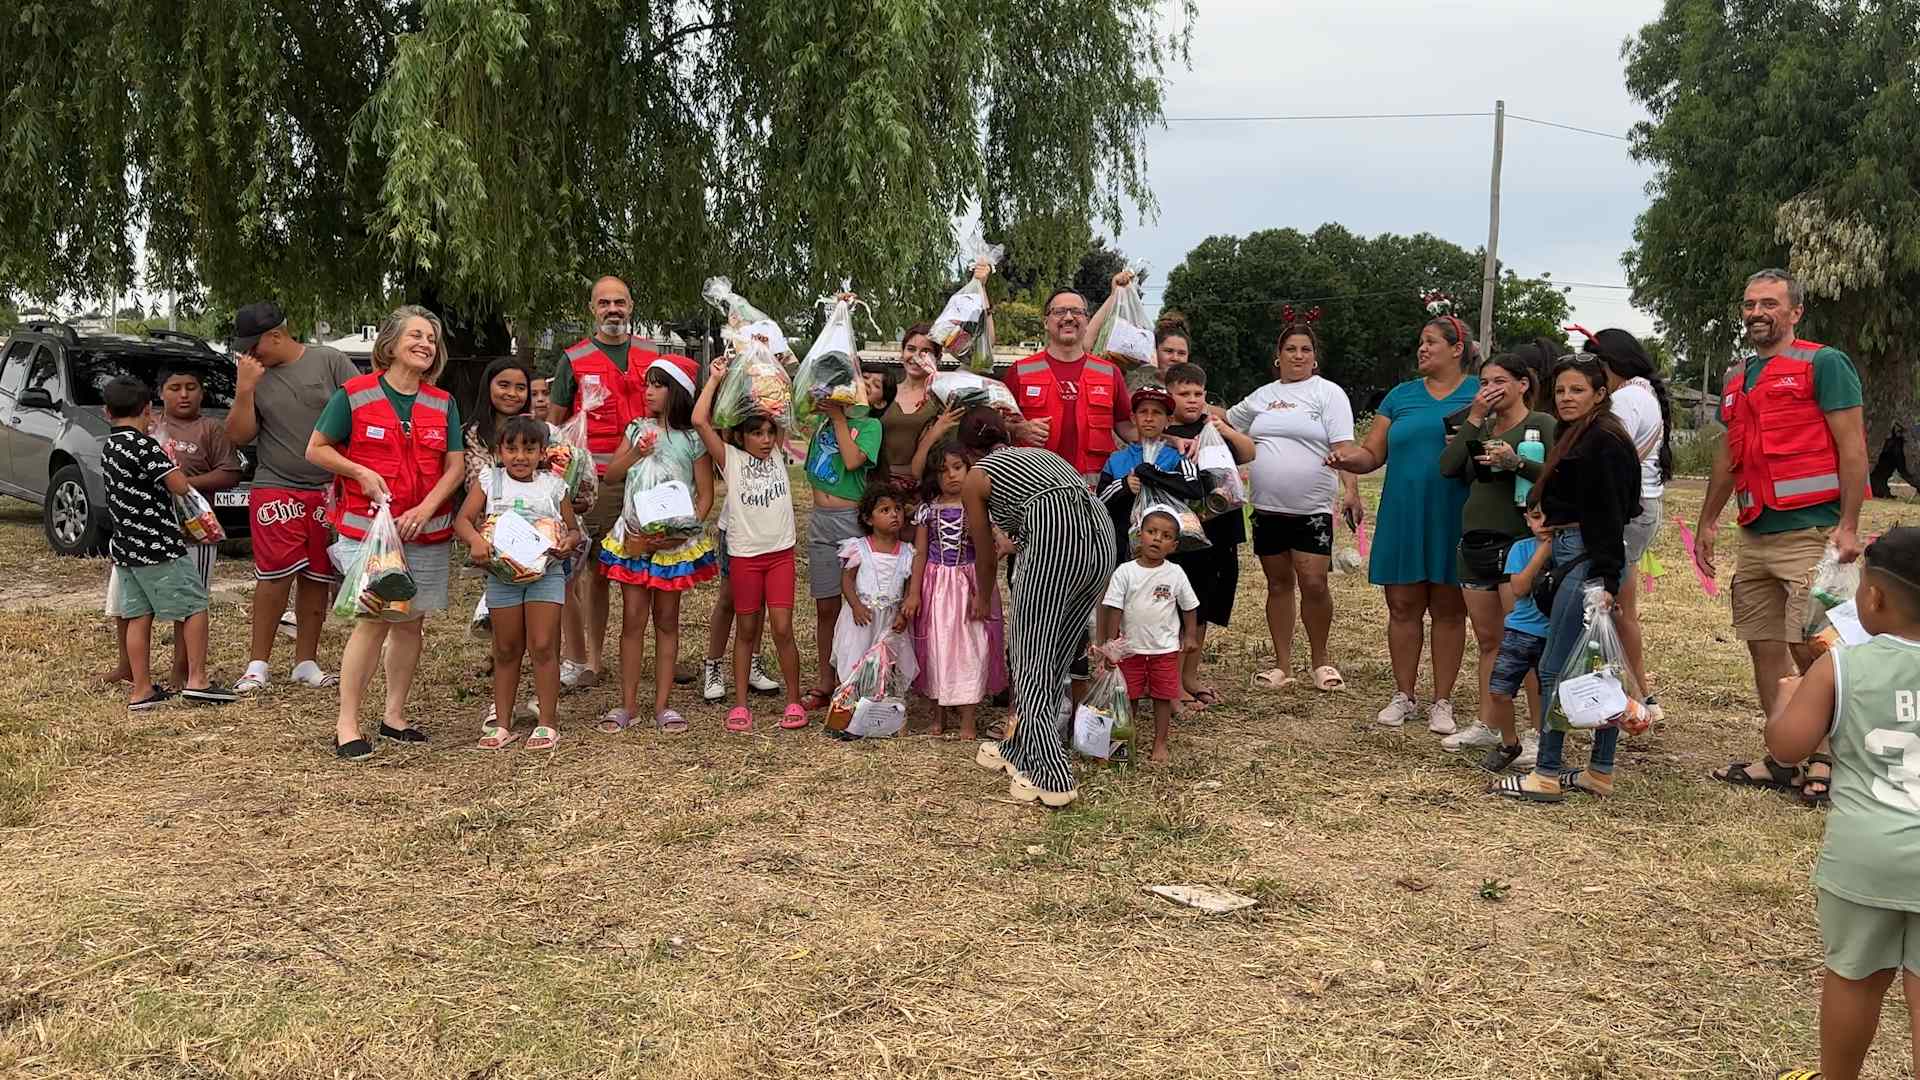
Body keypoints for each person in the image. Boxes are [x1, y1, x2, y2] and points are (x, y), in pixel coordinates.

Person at [1702, 269, 1867, 805]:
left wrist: (1848, 524)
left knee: (1813, 647)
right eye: (1750, 304)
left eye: (1770, 303)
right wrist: (1708, 520)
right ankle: (1783, 756)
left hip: (1812, 532)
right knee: (1764, 644)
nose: (1757, 313)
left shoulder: (1824, 364)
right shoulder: (1737, 377)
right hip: (1755, 532)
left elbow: (1852, 447)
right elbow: (1728, 456)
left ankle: (1827, 758)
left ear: (1795, 312)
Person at [1763, 528, 1920, 1080]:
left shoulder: (1840, 665)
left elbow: (1787, 748)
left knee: (1854, 977)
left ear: (1874, 597)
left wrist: (1783, 701)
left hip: (1864, 857)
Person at [307, 305, 466, 760]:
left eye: (431, 339)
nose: (425, 344)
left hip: (425, 531)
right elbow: (316, 449)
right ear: (390, 344)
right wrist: (359, 471)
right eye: (415, 335)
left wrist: (427, 508)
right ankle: (347, 724)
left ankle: (394, 716)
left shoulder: (442, 402)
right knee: (373, 620)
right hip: (369, 534)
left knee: (411, 622)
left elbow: (454, 467)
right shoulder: (354, 395)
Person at [1492, 355, 1641, 802]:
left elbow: (1611, 513)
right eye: (1560, 390)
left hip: (1586, 556)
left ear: (1600, 393)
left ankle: (1547, 773)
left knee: (1555, 667)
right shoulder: (1579, 433)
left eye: (1577, 390)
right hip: (1579, 552)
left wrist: (1606, 579)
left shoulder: (1602, 440)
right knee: (1600, 668)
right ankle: (1600, 770)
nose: (1566, 398)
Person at [1329, 314, 1479, 732]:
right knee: (1402, 606)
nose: (1422, 348)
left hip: (1455, 515)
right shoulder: (1401, 396)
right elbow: (1371, 454)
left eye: (1431, 341)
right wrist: (1347, 459)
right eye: (1420, 342)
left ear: (1457, 349)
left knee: (1450, 609)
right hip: (1403, 513)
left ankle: (1442, 702)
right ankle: (1404, 696)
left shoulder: (1479, 393)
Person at [962, 409, 1117, 808]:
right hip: (1102, 538)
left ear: (968, 451)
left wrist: (982, 595)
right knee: (1057, 654)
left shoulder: (977, 476)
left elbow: (985, 553)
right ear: (1007, 437)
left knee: (1030, 658)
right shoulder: (1042, 455)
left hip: (1054, 540)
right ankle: (1019, 747)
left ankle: (1050, 775)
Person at [225, 301, 360, 693]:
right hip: (276, 484)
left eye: (253, 346)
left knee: (317, 573)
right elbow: (238, 435)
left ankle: (306, 661)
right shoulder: (253, 375)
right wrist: (244, 389)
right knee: (274, 574)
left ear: (276, 335)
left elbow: (363, 407)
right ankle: (257, 665)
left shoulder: (329, 361)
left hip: (327, 488)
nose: (249, 355)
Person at [1230, 319, 1364, 693]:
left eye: (1306, 349)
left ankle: (1321, 661)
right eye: (1291, 349)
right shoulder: (1262, 396)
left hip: (1312, 509)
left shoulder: (1328, 394)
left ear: (1315, 358)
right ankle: (1282, 664)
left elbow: (1344, 448)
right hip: (1267, 509)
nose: (1298, 355)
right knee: (1278, 584)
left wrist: (1351, 491)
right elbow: (1225, 420)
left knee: (1314, 583)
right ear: (1278, 356)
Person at [1435, 352, 1556, 752]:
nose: (1490, 389)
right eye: (1484, 382)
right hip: (1475, 541)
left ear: (1523, 384)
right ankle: (1489, 724)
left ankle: (1538, 734)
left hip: (1517, 542)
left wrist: (1517, 462)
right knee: (1489, 641)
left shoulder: (1541, 424)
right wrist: (1473, 420)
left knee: (1525, 642)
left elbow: (1559, 476)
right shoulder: (1481, 426)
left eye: (1500, 381)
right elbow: (1448, 467)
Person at [100, 366, 244, 689]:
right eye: (174, 388)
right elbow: (178, 484)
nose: (183, 394)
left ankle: (142, 688)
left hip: (126, 544)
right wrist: (169, 464)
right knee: (194, 605)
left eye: (190, 387)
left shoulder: (110, 445)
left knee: (137, 614)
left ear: (106, 412)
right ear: (149, 407)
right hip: (161, 543)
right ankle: (196, 679)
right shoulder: (147, 445)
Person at [597, 355, 718, 734]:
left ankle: (663, 705)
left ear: (677, 391)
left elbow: (705, 495)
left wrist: (683, 531)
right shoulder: (636, 429)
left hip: (671, 543)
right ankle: (628, 704)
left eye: (658, 384)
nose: (648, 391)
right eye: (647, 384)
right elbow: (611, 475)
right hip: (634, 538)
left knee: (667, 620)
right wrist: (636, 452)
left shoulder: (692, 439)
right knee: (632, 620)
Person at [548, 276, 659, 689]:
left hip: (650, 477)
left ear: (631, 307)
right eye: (604, 303)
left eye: (620, 302)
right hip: (597, 481)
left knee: (654, 563)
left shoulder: (650, 353)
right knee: (596, 571)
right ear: (592, 309)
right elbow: (555, 424)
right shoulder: (573, 359)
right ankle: (593, 660)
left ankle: (655, 651)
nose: (613, 309)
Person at [692, 356, 806, 733]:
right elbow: (699, 420)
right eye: (757, 433)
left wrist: (772, 365)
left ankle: (794, 700)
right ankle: (740, 705)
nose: (766, 439)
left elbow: (784, 405)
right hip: (745, 556)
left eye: (770, 433)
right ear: (741, 436)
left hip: (780, 555)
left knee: (783, 628)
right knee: (746, 628)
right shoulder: (731, 459)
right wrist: (715, 379)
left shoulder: (777, 454)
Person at [453, 416, 579, 750]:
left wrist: (569, 542)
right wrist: (475, 541)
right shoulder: (489, 481)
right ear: (499, 451)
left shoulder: (553, 485)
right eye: (512, 449)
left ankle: (547, 722)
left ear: (542, 452)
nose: (520, 456)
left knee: (543, 645)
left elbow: (573, 529)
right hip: (502, 577)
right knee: (506, 648)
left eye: (529, 449)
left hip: (546, 575)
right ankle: (503, 724)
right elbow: (463, 520)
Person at [1582, 328, 1676, 724]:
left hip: (1626, 510)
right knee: (1623, 609)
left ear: (1609, 364)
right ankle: (1640, 694)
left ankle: (1622, 698)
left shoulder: (1625, 399)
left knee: (1609, 609)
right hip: (1642, 508)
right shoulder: (1644, 393)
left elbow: (1606, 455)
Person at [904, 440, 1006, 739]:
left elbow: (991, 551)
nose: (951, 475)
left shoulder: (980, 508)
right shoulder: (928, 511)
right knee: (936, 646)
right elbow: (920, 553)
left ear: (970, 468)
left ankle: (967, 718)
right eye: (942, 470)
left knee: (971, 647)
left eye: (957, 467)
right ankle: (938, 714)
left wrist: (982, 591)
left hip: (969, 583)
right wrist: (914, 592)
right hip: (936, 586)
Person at [1165, 363, 1253, 709]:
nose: (1192, 400)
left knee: (1204, 606)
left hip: (1223, 528)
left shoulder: (1214, 426)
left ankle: (1190, 674)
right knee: (1182, 606)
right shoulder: (1165, 432)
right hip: (1187, 534)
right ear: (1169, 395)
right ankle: (1172, 682)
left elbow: (1249, 452)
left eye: (1198, 393)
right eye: (1183, 393)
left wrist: (1223, 429)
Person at [798, 388, 883, 713]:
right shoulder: (823, 420)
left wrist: (838, 418)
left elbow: (851, 461)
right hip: (820, 520)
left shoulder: (871, 426)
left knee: (855, 605)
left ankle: (854, 681)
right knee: (825, 606)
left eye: (871, 386)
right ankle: (825, 680)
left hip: (850, 521)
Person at [1097, 509, 1200, 764]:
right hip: (1130, 650)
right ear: (1139, 535)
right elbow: (1114, 609)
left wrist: (1190, 636)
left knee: (1162, 697)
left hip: (1164, 650)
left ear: (1173, 546)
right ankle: (1124, 739)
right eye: (1151, 532)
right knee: (1127, 697)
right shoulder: (1125, 572)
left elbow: (1189, 607)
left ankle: (1160, 742)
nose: (1157, 539)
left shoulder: (1175, 573)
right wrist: (1111, 644)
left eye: (1166, 536)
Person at [1003, 288, 1136, 481]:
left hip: (1093, 489)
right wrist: (1019, 429)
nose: (1068, 317)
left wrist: (1167, 440)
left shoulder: (1109, 372)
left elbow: (1125, 426)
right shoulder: (1020, 371)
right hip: (1036, 484)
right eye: (1059, 311)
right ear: (1046, 322)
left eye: (1076, 311)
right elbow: (999, 423)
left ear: (1087, 321)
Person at [1476, 494, 1552, 772]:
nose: (1543, 524)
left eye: (1549, 516)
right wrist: (1543, 551)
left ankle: (1546, 743)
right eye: (1536, 517)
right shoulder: (1520, 549)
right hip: (1519, 631)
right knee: (1499, 691)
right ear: (1526, 519)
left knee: (1548, 694)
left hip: (1552, 635)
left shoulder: (1568, 549)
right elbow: (1519, 588)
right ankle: (1510, 742)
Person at [1096, 385, 1204, 567]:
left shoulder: (1177, 456)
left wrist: (1155, 475)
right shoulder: (1117, 459)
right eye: (1143, 412)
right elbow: (1099, 502)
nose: (1149, 418)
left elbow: (1194, 488)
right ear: (1133, 418)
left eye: (1157, 413)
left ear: (1169, 420)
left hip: (1169, 554)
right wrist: (1124, 485)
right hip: (1123, 551)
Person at [829, 488, 918, 688]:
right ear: (868, 519)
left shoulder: (907, 552)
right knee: (854, 657)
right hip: (862, 618)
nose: (894, 514)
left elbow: (908, 586)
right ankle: (848, 697)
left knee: (887, 661)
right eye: (885, 510)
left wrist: (902, 614)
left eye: (898, 509)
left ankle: (880, 700)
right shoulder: (858, 548)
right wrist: (856, 606)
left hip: (890, 619)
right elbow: (847, 580)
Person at [878, 323, 952, 484]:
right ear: (902, 352)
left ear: (938, 358)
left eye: (925, 352)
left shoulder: (943, 398)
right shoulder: (883, 392)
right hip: (879, 485)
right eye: (911, 349)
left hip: (924, 486)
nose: (916, 357)